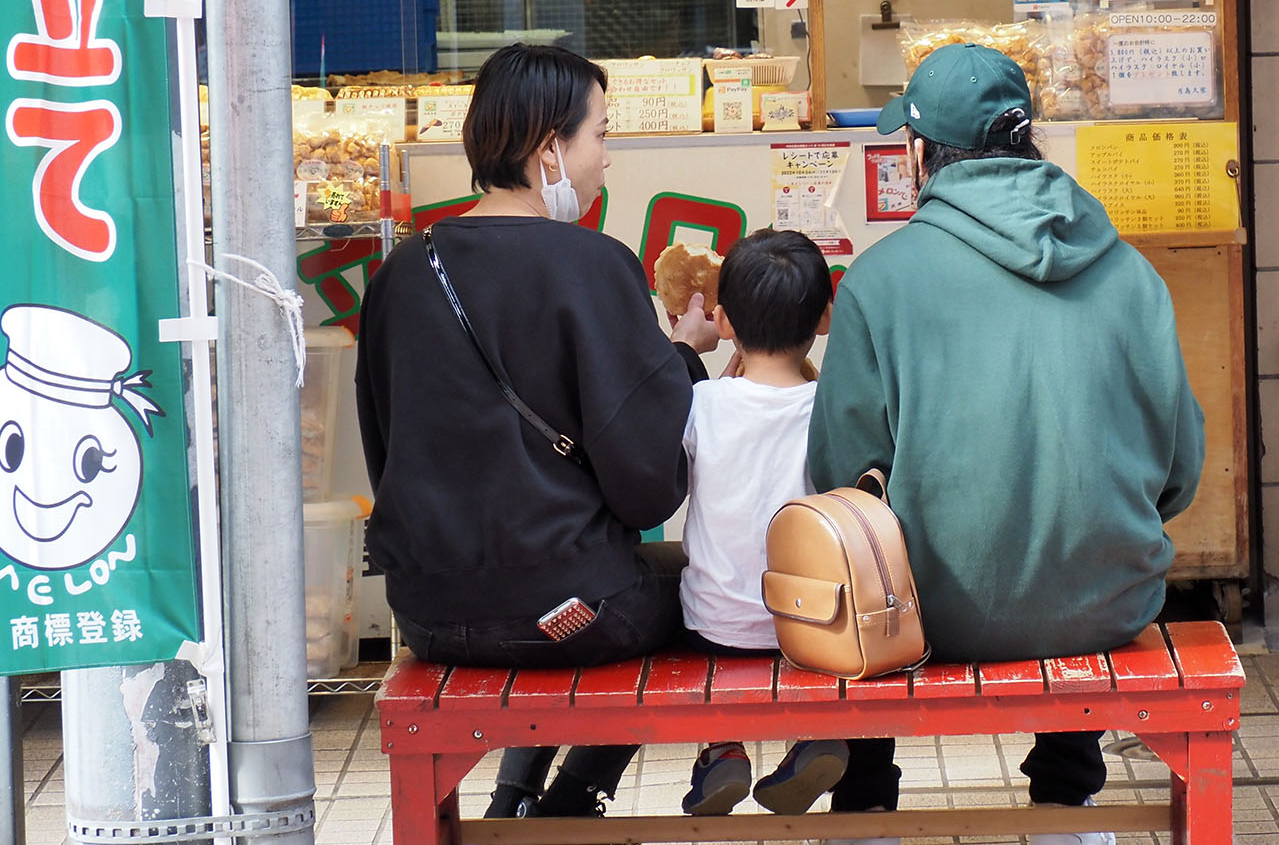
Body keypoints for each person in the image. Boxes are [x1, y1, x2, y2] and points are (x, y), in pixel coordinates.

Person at [808, 43, 1205, 843]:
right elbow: (1180, 469)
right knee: (1075, 547)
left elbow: (839, 479)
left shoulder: (880, 282)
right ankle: (1067, 804)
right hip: (1108, 602)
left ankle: (866, 802)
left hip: (930, 614)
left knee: (854, 565)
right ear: (1025, 141)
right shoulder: (1128, 272)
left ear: (920, 154)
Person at [355, 44, 720, 820]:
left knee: (603, 580)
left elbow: (387, 447)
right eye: (599, 136)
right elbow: (646, 478)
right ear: (549, 146)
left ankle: (517, 798)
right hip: (572, 614)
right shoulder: (592, 264)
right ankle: (572, 796)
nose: (605, 161)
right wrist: (682, 355)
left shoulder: (399, 274)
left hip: (426, 608)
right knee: (711, 589)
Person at [675, 230, 850, 818]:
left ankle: (723, 751)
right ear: (824, 317)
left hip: (716, 623)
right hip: (813, 628)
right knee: (809, 622)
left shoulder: (703, 404)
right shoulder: (831, 409)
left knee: (701, 595)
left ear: (723, 322)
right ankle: (815, 735)